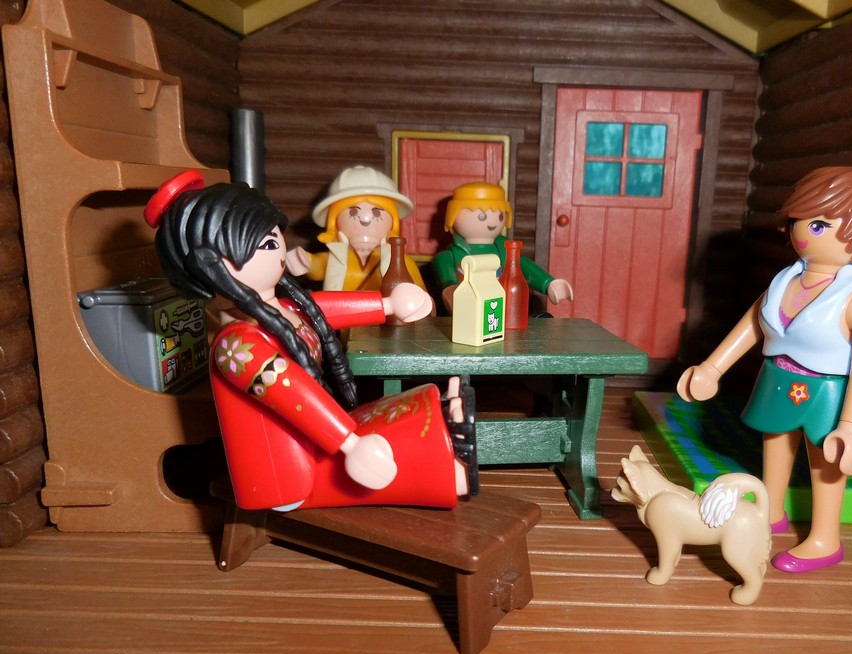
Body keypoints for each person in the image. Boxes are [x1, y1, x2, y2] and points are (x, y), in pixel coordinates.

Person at [146, 170, 475, 512]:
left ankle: (449, 445)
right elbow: (290, 391)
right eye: (266, 243)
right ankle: (448, 472)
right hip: (288, 474)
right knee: (400, 439)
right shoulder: (237, 348)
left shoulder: (281, 309)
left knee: (411, 405)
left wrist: (387, 305)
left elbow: (319, 309)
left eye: (275, 238)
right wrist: (349, 443)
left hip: (319, 440)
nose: (279, 250)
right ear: (212, 267)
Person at [676, 166, 852, 572]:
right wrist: (711, 368)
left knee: (825, 463)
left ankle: (825, 538)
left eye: (819, 224)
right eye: (798, 220)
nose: (801, 232)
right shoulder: (784, 283)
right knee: (775, 441)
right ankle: (771, 509)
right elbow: (751, 326)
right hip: (779, 377)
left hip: (829, 393)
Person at [431, 181, 574, 311]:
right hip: (468, 314)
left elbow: (524, 267)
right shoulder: (449, 256)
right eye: (482, 216)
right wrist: (452, 292)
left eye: (499, 216)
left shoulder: (504, 250)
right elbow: (447, 281)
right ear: (453, 215)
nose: (492, 222)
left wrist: (548, 283)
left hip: (500, 312)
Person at [307, 165, 427, 293]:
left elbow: (422, 295)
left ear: (393, 221)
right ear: (334, 220)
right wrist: (304, 261)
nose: (364, 220)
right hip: (338, 306)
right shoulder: (334, 258)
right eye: (353, 212)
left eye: (377, 213)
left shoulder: (401, 262)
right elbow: (317, 266)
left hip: (383, 306)